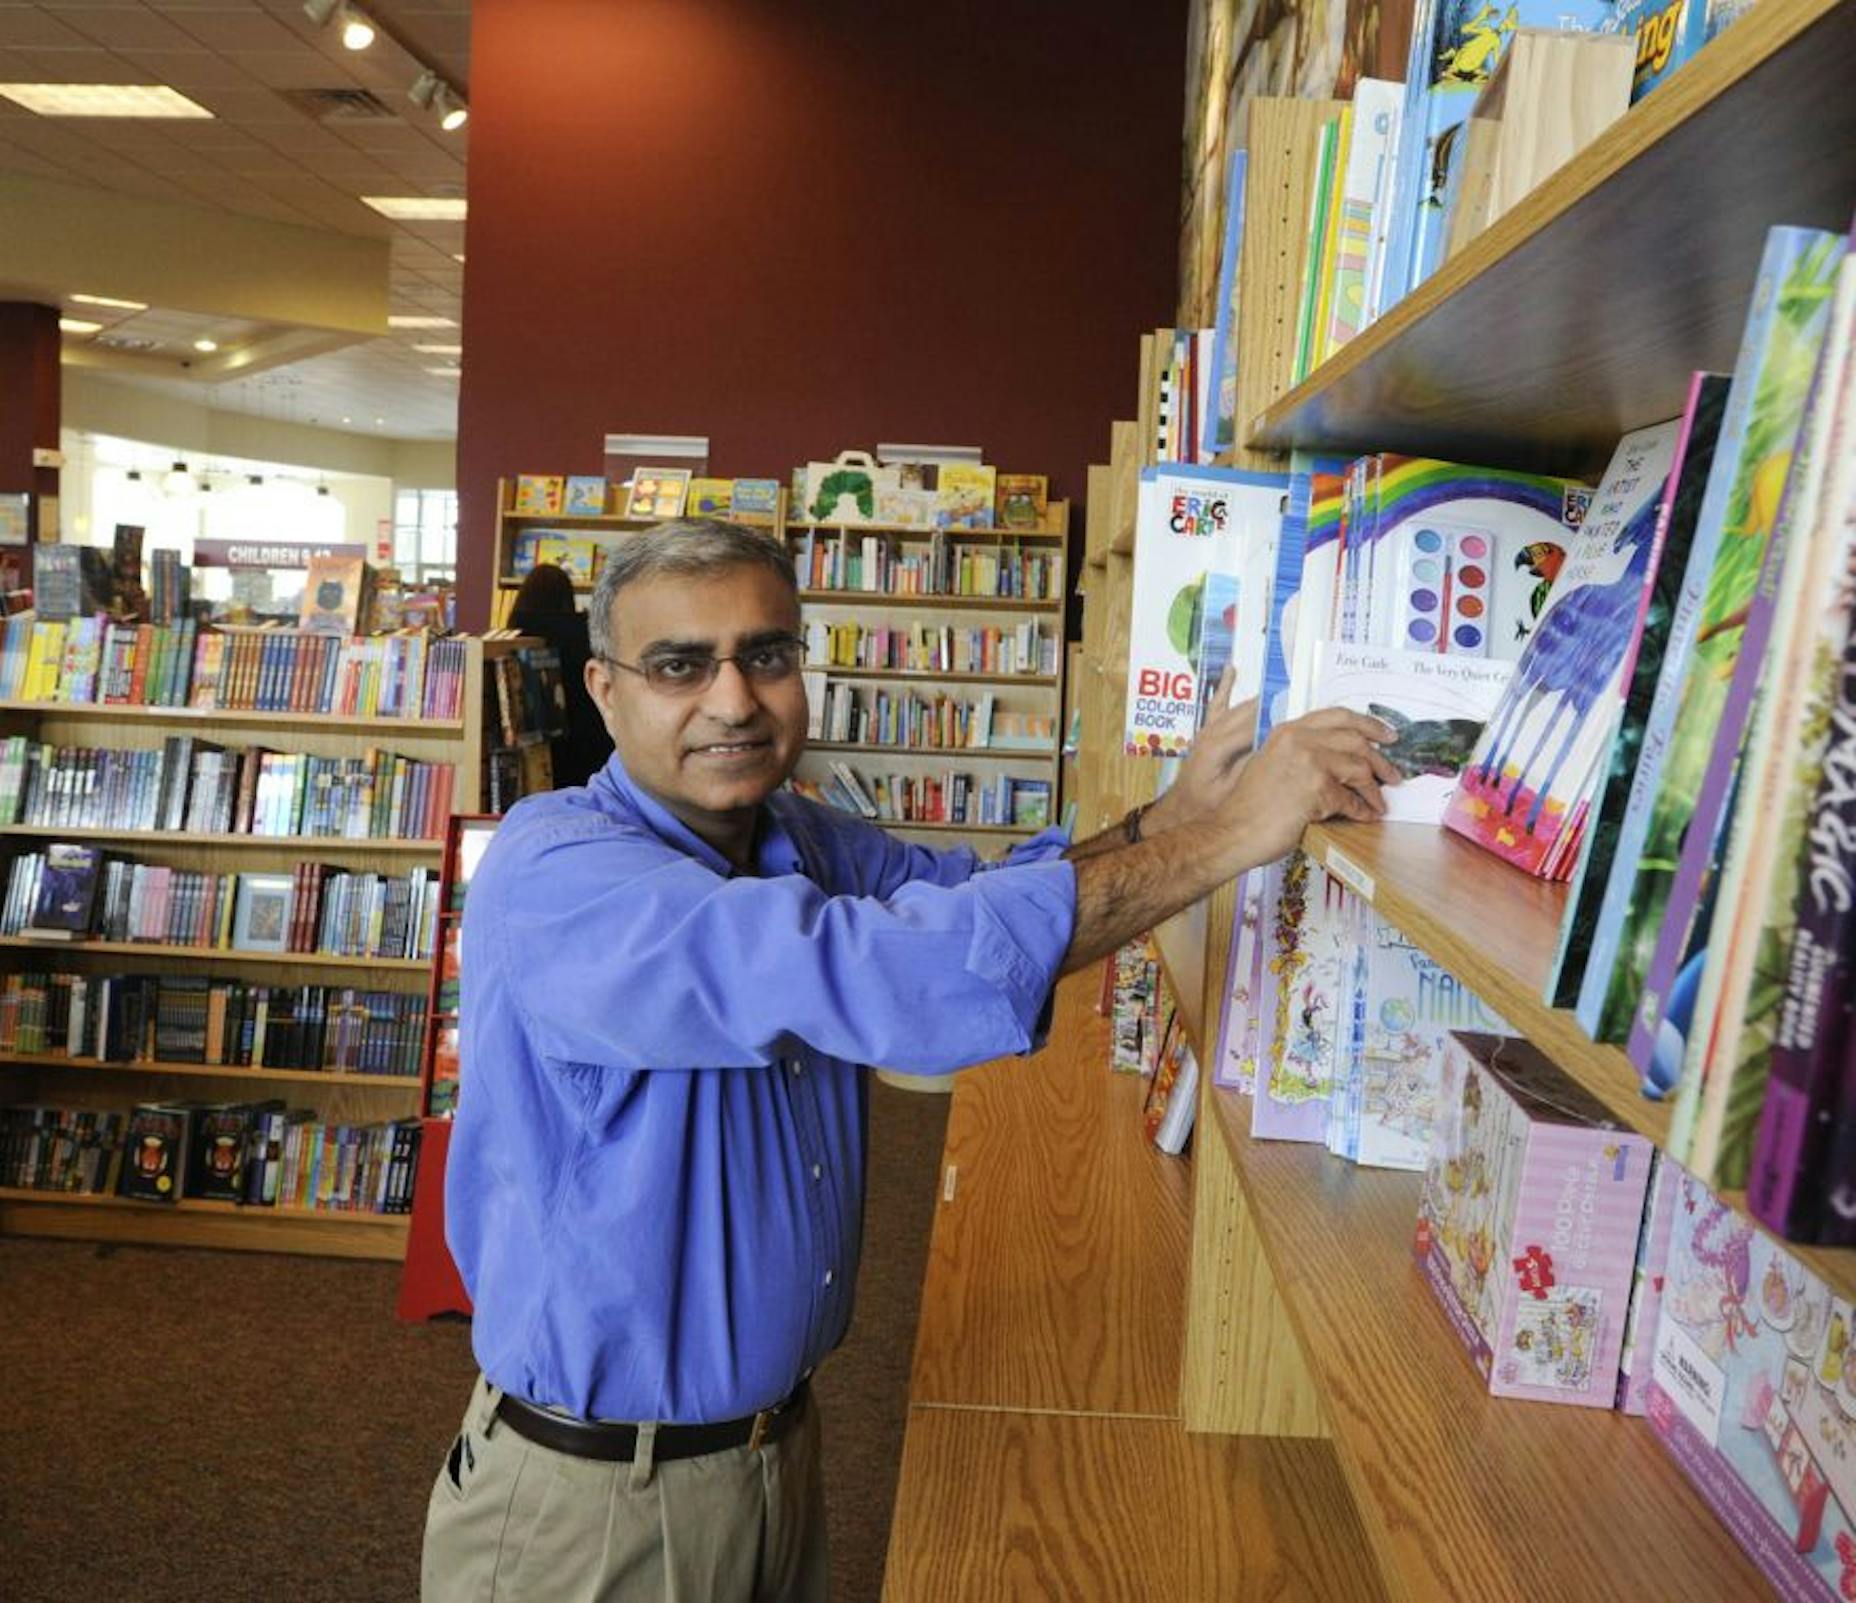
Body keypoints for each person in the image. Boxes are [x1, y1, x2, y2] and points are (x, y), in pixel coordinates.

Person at [423, 519, 1400, 1601]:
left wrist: (1168, 817)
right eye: (680, 665)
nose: (735, 700)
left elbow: (972, 902)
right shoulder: (556, 869)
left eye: (768, 655)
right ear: (605, 691)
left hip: (770, 1457)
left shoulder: (805, 836)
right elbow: (874, 970)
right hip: (596, 1507)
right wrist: (1225, 842)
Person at [505, 562, 614, 788]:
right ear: (567, 597)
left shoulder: (515, 632)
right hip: (587, 746)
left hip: (533, 748)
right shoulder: (586, 632)